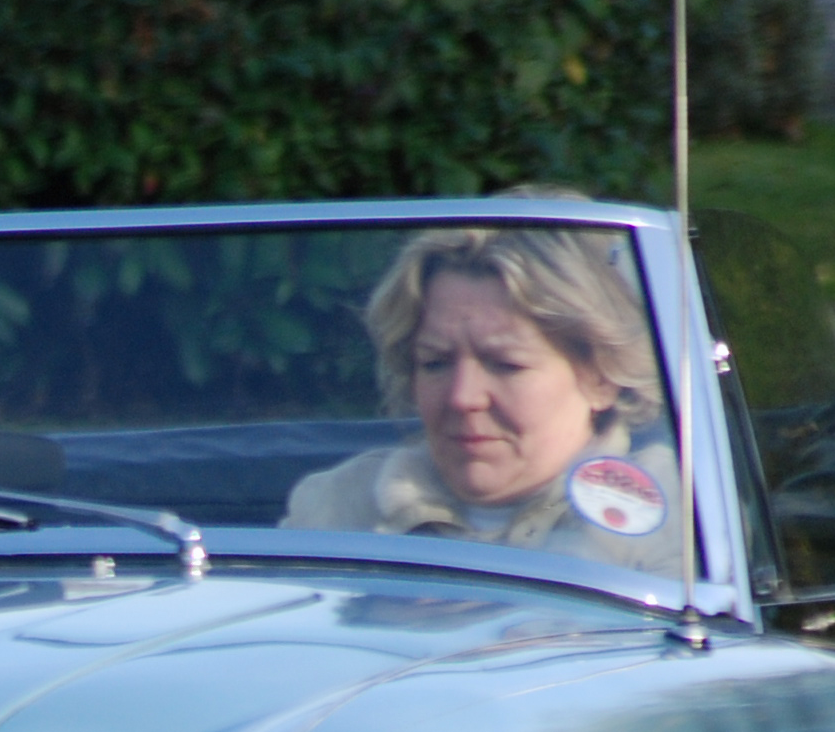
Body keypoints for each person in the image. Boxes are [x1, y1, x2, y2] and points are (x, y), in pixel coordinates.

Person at [283, 200, 687, 582]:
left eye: (506, 365)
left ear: (601, 376)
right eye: (436, 363)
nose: (463, 397)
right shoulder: (334, 511)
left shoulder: (684, 518)